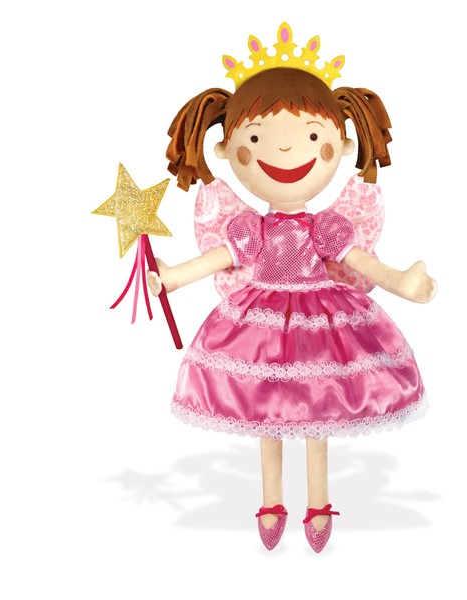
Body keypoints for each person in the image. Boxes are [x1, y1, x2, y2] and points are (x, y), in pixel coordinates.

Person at [147, 23, 437, 553]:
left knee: (319, 404)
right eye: (255, 140)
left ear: (340, 146)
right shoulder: (250, 229)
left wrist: (401, 282)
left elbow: (357, 260)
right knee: (267, 406)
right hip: (258, 321)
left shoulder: (324, 227)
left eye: (311, 139)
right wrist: (173, 277)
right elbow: (219, 258)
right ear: (228, 150)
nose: (284, 148)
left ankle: (319, 500)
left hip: (321, 317)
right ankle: (271, 499)